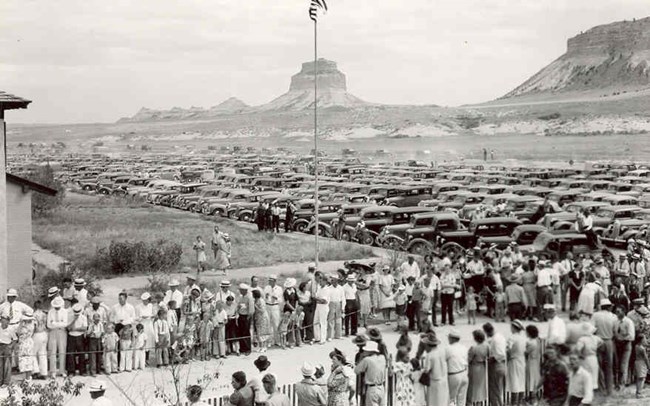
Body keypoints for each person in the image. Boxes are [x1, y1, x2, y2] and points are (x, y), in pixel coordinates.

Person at [591, 298, 617, 395]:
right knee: (609, 366)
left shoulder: (595, 315)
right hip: (609, 341)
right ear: (609, 307)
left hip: (598, 341)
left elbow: (592, 329)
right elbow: (615, 331)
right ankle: (609, 389)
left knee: (599, 365)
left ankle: (601, 388)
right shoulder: (613, 316)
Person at [354, 339, 387, 406]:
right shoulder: (382, 358)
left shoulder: (367, 360)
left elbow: (356, 370)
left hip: (372, 389)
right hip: (381, 388)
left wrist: (362, 358)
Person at [484, 322, 506, 406]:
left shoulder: (495, 339)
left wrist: (491, 359)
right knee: (498, 388)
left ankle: (498, 404)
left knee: (494, 388)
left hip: (496, 365)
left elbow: (500, 354)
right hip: (502, 365)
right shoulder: (500, 336)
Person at [614, 305, 635, 389]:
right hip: (617, 345)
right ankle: (618, 384)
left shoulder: (628, 322)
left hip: (626, 345)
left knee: (623, 365)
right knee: (617, 365)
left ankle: (622, 384)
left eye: (618, 312)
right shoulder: (616, 321)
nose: (617, 313)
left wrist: (622, 339)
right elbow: (614, 332)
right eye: (616, 312)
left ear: (623, 312)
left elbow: (631, 336)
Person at [575, 323, 601, 392]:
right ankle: (592, 389)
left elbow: (578, 349)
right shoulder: (595, 338)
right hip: (593, 357)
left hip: (585, 358)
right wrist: (597, 348)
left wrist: (580, 355)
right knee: (594, 373)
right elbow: (601, 343)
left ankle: (586, 390)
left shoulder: (582, 339)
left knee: (586, 374)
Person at [446, 330, 468, 406]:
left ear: (452, 338)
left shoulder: (448, 348)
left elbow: (444, 360)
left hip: (454, 375)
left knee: (451, 398)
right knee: (461, 399)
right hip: (464, 373)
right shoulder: (464, 347)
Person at [507, 320, 526, 406]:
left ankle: (514, 402)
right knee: (521, 380)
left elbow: (508, 349)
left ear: (514, 328)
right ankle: (520, 401)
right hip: (521, 359)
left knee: (514, 380)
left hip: (513, 360)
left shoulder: (512, 338)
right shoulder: (523, 338)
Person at [467, 329, 488, 404]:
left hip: (474, 367)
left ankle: (472, 401)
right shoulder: (486, 346)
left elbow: (468, 359)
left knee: (473, 386)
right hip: (482, 367)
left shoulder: (473, 348)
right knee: (481, 386)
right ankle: (480, 402)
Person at [264, 275, 283, 347]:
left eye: (271, 281)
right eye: (269, 281)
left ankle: (277, 340)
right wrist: (266, 297)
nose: (270, 282)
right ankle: (269, 341)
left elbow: (281, 300)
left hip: (275, 306)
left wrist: (276, 298)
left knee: (276, 323)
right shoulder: (266, 288)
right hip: (268, 305)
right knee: (268, 324)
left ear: (275, 281)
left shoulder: (279, 289)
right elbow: (263, 297)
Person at [237, 284, 255, 355]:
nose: (240, 291)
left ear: (245, 290)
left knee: (246, 332)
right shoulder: (241, 297)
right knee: (241, 332)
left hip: (246, 316)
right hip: (241, 315)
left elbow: (251, 309)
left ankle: (248, 349)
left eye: (241, 290)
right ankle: (242, 348)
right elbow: (238, 305)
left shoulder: (249, 298)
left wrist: (248, 317)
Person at [314, 275, 330, 344]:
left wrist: (316, 299)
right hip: (318, 306)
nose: (320, 282)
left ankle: (323, 339)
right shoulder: (319, 288)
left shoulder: (327, 289)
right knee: (315, 322)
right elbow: (317, 298)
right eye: (319, 281)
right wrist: (317, 299)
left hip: (324, 307)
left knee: (323, 323)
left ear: (325, 281)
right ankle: (317, 337)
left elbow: (324, 301)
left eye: (321, 281)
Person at [634, 334, 650, 398]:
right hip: (641, 363)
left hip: (637, 362)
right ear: (641, 340)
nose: (645, 340)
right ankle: (639, 393)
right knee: (642, 378)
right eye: (644, 339)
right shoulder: (642, 349)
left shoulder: (636, 346)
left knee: (639, 378)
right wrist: (649, 366)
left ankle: (638, 392)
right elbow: (646, 358)